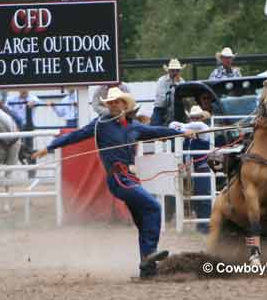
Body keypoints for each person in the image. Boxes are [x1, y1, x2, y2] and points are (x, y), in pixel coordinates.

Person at [32, 87, 195, 279]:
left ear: (124, 105)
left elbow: (157, 131)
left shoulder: (134, 127)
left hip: (130, 179)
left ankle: (147, 271)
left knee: (144, 219)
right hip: (118, 179)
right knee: (153, 207)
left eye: (116, 102)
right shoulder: (100, 124)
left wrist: (182, 132)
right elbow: (75, 135)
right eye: (110, 102)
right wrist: (50, 147)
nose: (113, 105)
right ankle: (149, 254)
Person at [170, 105, 211, 233]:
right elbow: (172, 125)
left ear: (202, 118)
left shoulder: (204, 129)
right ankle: (200, 226)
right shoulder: (188, 131)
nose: (195, 120)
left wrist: (184, 129)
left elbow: (198, 126)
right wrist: (185, 130)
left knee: (203, 198)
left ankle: (204, 227)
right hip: (188, 169)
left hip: (201, 168)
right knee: (192, 197)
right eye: (193, 118)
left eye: (197, 118)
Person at [152, 59, 185, 126]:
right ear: (169, 71)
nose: (175, 72)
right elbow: (162, 99)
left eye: (177, 70)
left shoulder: (182, 81)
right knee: (155, 126)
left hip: (177, 110)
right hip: (161, 109)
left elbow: (184, 97)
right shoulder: (162, 80)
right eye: (173, 70)